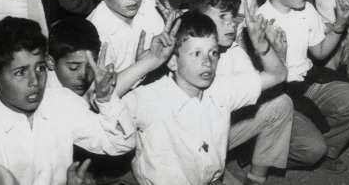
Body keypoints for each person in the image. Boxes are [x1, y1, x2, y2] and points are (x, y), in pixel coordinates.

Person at [122, 10, 287, 184]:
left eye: (213, 53)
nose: (207, 62)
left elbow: (277, 75)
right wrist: (146, 63)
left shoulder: (221, 89)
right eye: (196, 54)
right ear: (172, 61)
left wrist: (261, 45)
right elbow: (96, 107)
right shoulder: (149, 98)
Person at [256, 0, 349, 173]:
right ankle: (264, 157)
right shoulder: (259, 23)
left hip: (307, 81)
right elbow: (262, 81)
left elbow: (319, 52)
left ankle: (328, 150)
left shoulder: (306, 9)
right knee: (310, 149)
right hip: (276, 94)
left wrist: (339, 26)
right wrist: (276, 54)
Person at [0, 16, 135, 185]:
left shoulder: (61, 102)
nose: (35, 81)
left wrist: (106, 100)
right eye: (20, 72)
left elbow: (121, 143)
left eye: (40, 68)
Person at [185, 0, 293, 185]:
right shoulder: (184, 52)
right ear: (199, 18)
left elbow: (265, 86)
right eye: (222, 16)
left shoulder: (233, 50)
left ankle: (255, 179)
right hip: (185, 147)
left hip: (218, 134)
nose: (232, 23)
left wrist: (274, 53)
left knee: (281, 103)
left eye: (233, 16)